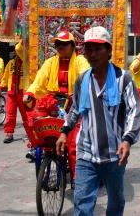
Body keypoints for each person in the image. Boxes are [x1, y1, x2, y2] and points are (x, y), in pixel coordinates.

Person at [56, 26, 140, 216]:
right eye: (88, 49)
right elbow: (76, 108)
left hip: (115, 154)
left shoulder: (123, 79)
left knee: (116, 202)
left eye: (98, 48)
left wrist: (127, 139)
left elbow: (134, 111)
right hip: (86, 153)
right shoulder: (82, 80)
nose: (92, 54)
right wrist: (64, 131)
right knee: (82, 205)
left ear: (109, 50)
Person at [24, 31, 90, 184]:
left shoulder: (80, 60)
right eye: (58, 44)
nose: (60, 46)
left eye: (64, 43)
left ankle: (77, 178)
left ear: (72, 46)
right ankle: (39, 151)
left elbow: (86, 76)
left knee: (74, 144)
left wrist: (78, 93)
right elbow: (39, 81)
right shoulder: (51, 62)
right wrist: (30, 93)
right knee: (38, 125)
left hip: (75, 106)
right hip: (55, 105)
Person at [0, 41, 33, 145]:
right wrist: (1, 87)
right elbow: (5, 76)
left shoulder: (27, 62)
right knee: (10, 114)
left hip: (23, 92)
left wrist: (23, 38)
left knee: (26, 114)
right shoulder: (10, 63)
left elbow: (19, 48)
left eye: (17, 50)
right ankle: (9, 133)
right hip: (11, 92)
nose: (16, 52)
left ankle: (31, 132)